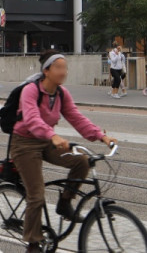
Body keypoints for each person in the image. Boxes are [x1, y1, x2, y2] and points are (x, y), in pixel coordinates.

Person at [10, 50, 117, 252]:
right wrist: (53, 135)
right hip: (24, 143)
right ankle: (33, 242)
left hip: (48, 141)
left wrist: (101, 136)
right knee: (37, 194)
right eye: (58, 67)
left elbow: (76, 118)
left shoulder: (61, 93)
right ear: (47, 70)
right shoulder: (31, 90)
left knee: (82, 161)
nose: (63, 71)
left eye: (65, 67)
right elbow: (32, 119)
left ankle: (65, 202)